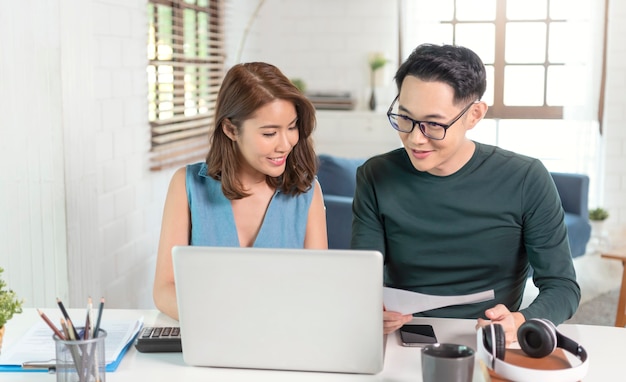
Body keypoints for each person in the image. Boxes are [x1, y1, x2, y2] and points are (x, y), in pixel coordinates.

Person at [351, 44, 580, 344]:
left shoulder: (526, 178)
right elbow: (360, 279)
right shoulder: (375, 175)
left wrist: (519, 321)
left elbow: (563, 287)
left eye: (433, 124)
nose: (415, 138)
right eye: (404, 118)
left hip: (489, 340)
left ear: (474, 115)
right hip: (400, 337)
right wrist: (369, 307)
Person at [153, 62, 328, 320]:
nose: (286, 144)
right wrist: (217, 319)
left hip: (282, 338)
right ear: (231, 129)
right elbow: (164, 289)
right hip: (208, 335)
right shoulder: (187, 185)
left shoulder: (307, 193)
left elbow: (319, 288)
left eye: (292, 127)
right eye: (270, 133)